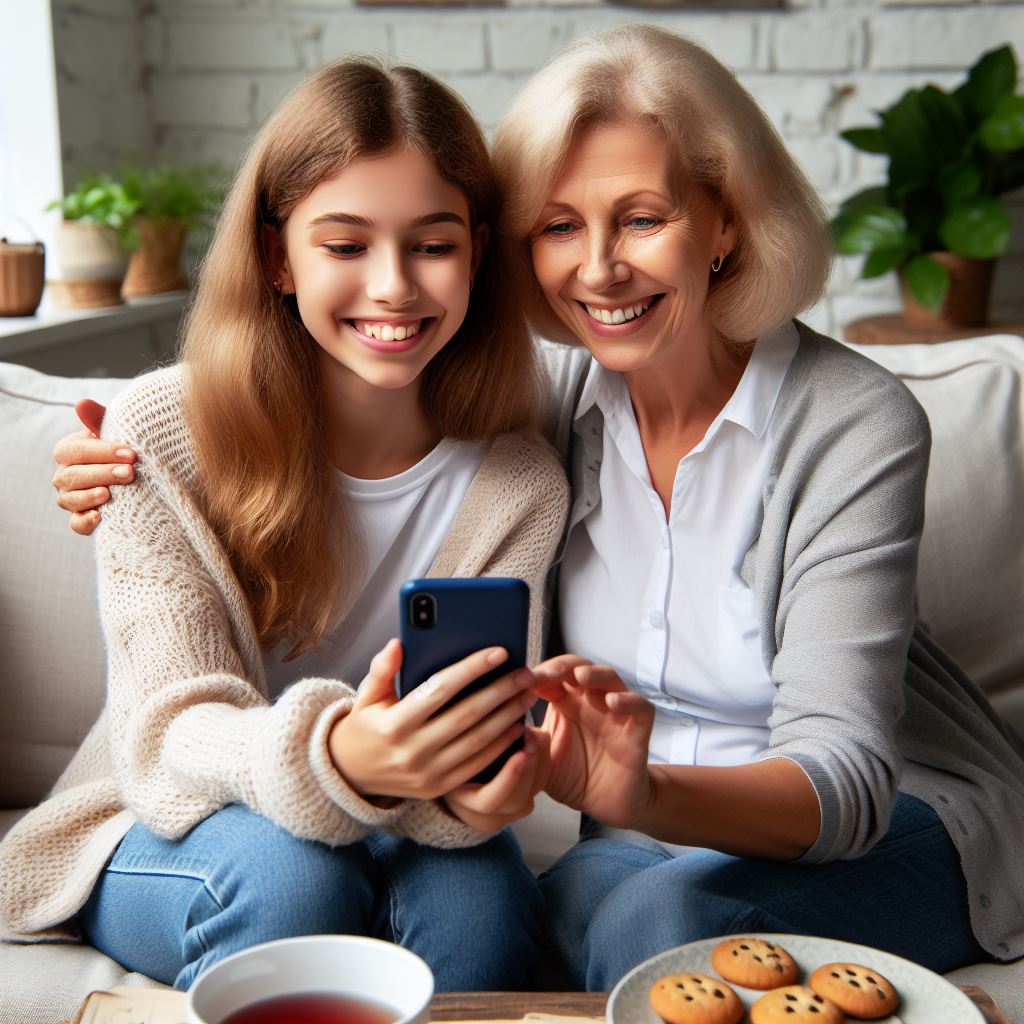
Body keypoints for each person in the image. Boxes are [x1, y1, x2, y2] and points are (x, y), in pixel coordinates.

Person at [49, 25, 1024, 993]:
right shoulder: (557, 399)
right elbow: (346, 384)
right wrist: (106, 461)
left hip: (857, 810)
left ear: (726, 220)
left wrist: (601, 786)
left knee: (570, 911)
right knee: (429, 898)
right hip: (466, 821)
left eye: (641, 218)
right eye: (558, 228)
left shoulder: (807, 423)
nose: (597, 269)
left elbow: (840, 775)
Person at [0, 57, 569, 992]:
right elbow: (169, 731)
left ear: (476, 252)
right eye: (344, 246)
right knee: (294, 877)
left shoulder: (519, 483)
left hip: (401, 816)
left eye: (432, 245)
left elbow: (476, 748)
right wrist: (340, 755)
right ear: (276, 258)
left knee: (488, 908)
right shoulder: (158, 438)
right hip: (163, 814)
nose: (393, 286)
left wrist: (478, 784)